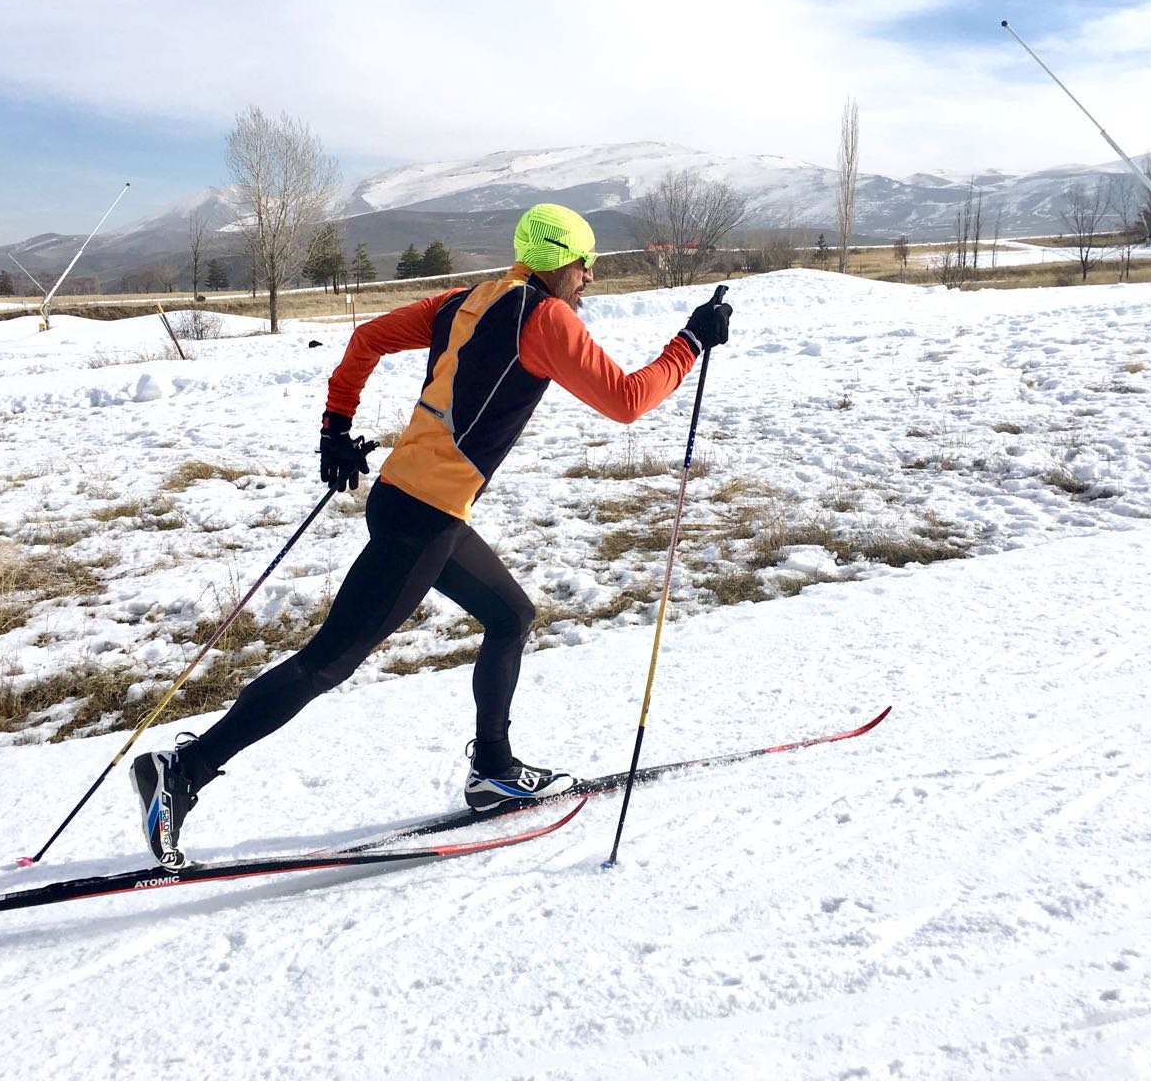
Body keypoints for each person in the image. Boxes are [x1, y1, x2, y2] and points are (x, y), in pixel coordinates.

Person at [131, 204, 733, 868]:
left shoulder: (465, 300)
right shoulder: (545, 318)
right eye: (584, 264)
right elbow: (625, 400)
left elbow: (367, 339)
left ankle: (494, 772)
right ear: (560, 262)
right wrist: (690, 343)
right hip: (422, 516)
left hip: (413, 504)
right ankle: (184, 770)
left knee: (512, 616)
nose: (588, 278)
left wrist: (335, 427)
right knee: (327, 661)